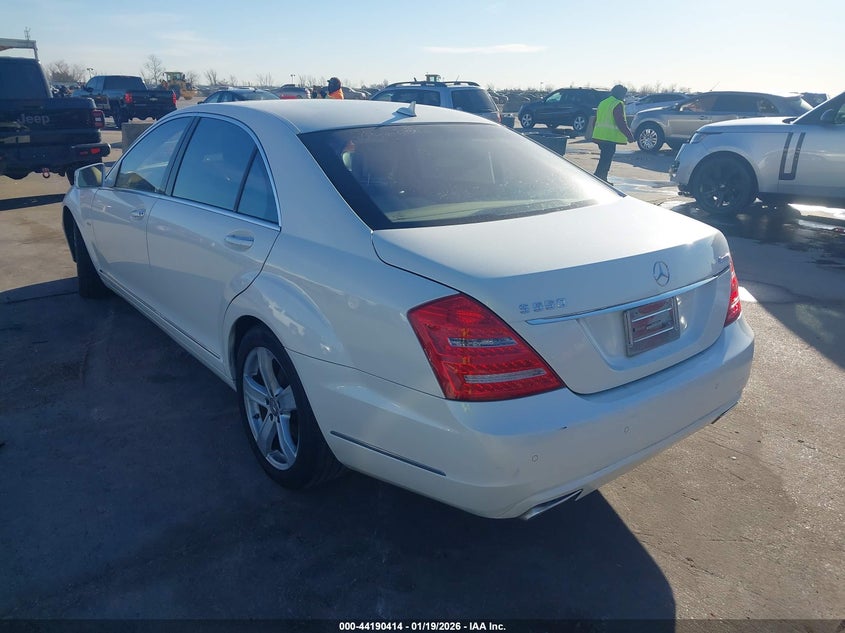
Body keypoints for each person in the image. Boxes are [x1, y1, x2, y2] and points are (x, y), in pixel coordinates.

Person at [591, 84, 635, 183]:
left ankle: (600, 177)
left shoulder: (603, 103)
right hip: (609, 138)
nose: (624, 96)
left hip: (600, 136)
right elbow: (620, 122)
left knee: (603, 158)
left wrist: (595, 133)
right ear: (620, 94)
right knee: (606, 159)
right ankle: (601, 179)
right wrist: (629, 136)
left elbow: (596, 119)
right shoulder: (617, 103)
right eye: (624, 94)